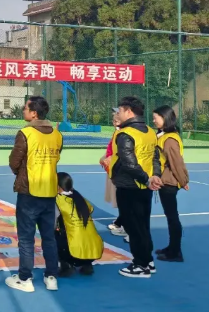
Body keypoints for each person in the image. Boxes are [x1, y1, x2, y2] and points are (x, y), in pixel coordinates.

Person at [6, 96, 62, 293]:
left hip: (29, 192)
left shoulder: (26, 133)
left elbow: (14, 161)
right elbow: (57, 157)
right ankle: (51, 276)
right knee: (49, 237)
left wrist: (21, 173)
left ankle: (25, 278)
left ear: (34, 113)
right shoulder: (57, 134)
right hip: (49, 191)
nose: (23, 111)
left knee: (26, 237)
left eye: (25, 108)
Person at [110, 96, 162, 278]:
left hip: (130, 186)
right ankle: (148, 261)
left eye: (120, 110)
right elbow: (155, 158)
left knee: (133, 227)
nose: (118, 113)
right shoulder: (149, 132)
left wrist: (147, 179)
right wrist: (154, 176)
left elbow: (129, 164)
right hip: (144, 187)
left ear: (128, 111)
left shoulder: (125, 134)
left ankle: (140, 265)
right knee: (143, 225)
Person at [153, 105, 189, 263]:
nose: (154, 121)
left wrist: (183, 181)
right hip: (166, 181)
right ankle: (171, 247)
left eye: (156, 118)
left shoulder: (169, 140)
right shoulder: (164, 136)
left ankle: (175, 252)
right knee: (170, 217)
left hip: (169, 183)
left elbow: (176, 163)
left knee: (173, 218)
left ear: (165, 118)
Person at [55, 172, 104, 277]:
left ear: (58, 186)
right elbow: (90, 209)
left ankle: (66, 265)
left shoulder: (58, 201)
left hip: (73, 251)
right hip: (93, 249)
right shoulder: (79, 198)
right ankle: (87, 265)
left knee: (52, 234)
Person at [102, 109, 125, 237]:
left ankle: (123, 223)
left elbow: (120, 152)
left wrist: (110, 158)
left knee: (122, 198)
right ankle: (121, 221)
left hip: (120, 170)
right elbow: (111, 149)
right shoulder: (116, 132)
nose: (114, 122)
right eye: (113, 120)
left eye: (117, 120)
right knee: (119, 198)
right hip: (114, 169)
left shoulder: (124, 134)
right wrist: (105, 157)